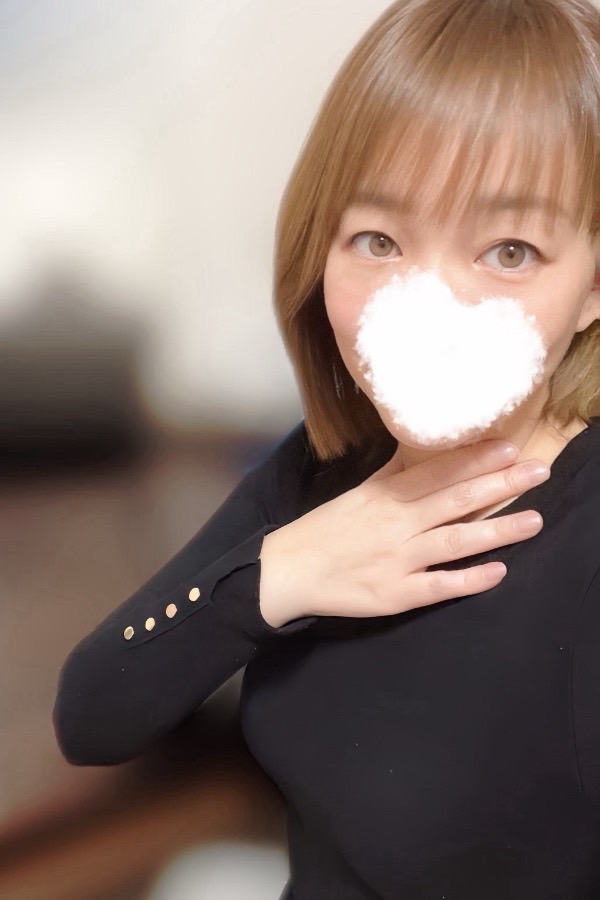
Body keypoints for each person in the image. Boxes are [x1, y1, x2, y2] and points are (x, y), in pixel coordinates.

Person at [53, 0, 600, 897]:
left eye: (509, 251)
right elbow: (93, 714)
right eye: (378, 240)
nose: (429, 307)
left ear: (593, 286)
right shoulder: (318, 472)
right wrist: (279, 573)